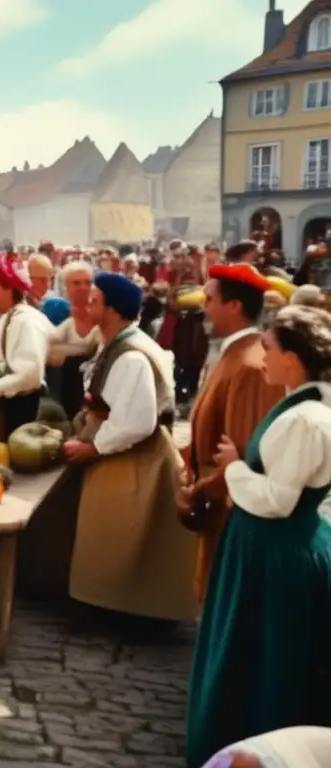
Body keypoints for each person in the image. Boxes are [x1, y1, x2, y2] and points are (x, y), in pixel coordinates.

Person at [186, 305, 331, 766]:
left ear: (293, 357)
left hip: (275, 551)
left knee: (264, 659)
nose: (262, 356)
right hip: (266, 547)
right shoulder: (302, 406)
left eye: (269, 348)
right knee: (255, 652)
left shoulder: (306, 419)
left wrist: (235, 470)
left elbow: (278, 499)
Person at [60, 273, 196, 621]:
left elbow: (137, 421)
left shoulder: (132, 355)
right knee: (110, 531)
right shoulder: (115, 342)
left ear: (113, 310)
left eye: (94, 300)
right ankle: (107, 602)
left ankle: (125, 610)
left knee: (122, 531)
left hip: (135, 456)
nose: (86, 304)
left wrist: (95, 447)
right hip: (118, 450)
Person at [178, 264, 283, 604]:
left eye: (210, 299)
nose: (204, 307)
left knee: (225, 607)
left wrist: (199, 490)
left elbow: (246, 454)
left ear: (234, 306)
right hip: (218, 510)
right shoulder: (233, 355)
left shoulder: (250, 365)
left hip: (231, 518)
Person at [0, 252, 51, 438]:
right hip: (6, 405)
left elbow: (29, 375)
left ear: (7, 289)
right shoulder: (4, 316)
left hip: (24, 408)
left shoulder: (26, 321)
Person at [48, 261, 100, 419]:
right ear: (66, 287)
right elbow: (50, 354)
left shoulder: (106, 312)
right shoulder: (57, 312)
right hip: (69, 394)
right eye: (76, 283)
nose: (83, 287)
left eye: (88, 282)